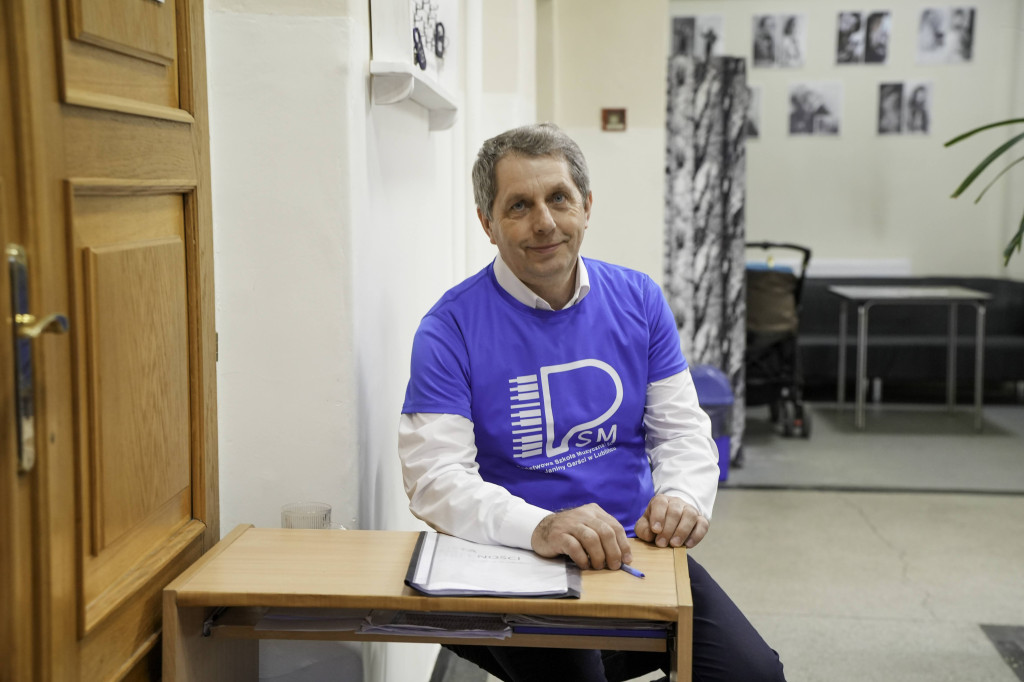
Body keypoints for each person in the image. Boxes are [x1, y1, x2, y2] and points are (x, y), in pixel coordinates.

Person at [399, 123, 786, 682]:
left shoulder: (639, 300)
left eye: (559, 198)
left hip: (632, 550)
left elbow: (681, 430)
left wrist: (682, 496)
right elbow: (435, 479)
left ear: (586, 206)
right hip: (515, 558)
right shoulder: (449, 328)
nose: (544, 222)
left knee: (754, 676)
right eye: (519, 206)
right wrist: (541, 527)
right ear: (487, 224)